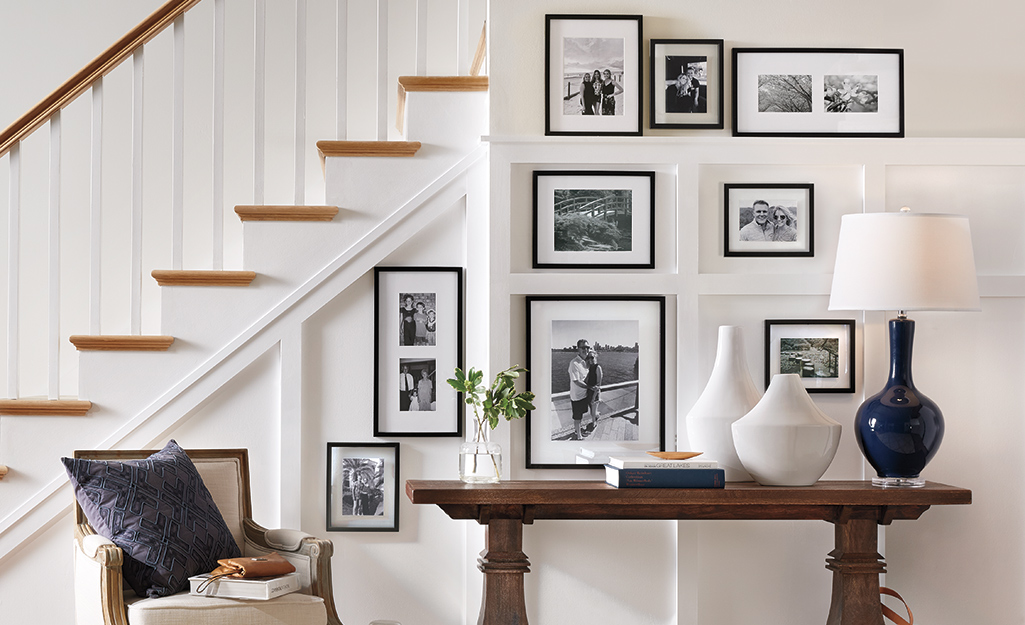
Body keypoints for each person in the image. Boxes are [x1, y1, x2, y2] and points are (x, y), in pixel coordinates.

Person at [567, 338, 591, 440]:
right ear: (578, 349)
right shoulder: (574, 363)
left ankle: (577, 430)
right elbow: (576, 381)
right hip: (577, 396)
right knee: (578, 417)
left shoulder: (585, 362)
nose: (586, 349)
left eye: (587, 347)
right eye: (583, 347)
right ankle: (579, 436)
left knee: (580, 415)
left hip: (584, 394)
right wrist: (590, 387)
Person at [584, 350, 603, 433]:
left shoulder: (598, 367)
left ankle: (594, 425)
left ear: (595, 357)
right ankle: (597, 415)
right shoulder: (590, 367)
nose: (590, 359)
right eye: (589, 357)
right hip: (589, 391)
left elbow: (598, 385)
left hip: (594, 393)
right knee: (592, 410)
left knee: (593, 412)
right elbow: (586, 380)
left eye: (592, 357)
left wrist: (594, 397)